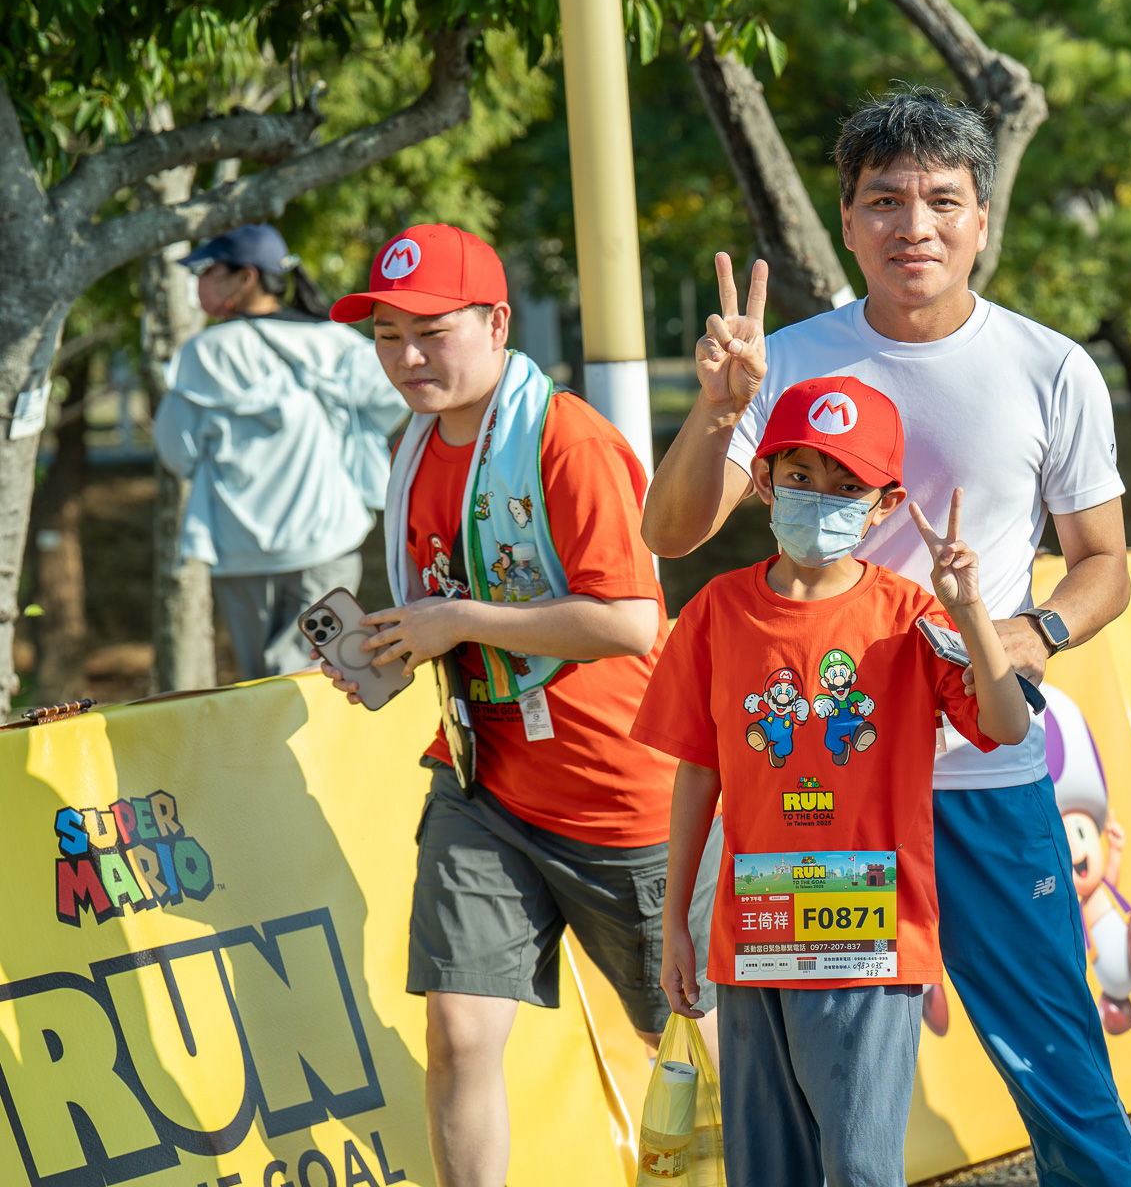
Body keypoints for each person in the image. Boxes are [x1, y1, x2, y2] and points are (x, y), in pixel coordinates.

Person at [642, 87, 1131, 1185]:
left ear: (981, 220)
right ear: (847, 219)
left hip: (977, 770)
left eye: (941, 201)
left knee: (1058, 1066)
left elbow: (1105, 563)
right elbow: (672, 533)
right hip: (815, 797)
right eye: (884, 201)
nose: (913, 225)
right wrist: (721, 407)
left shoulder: (1049, 367)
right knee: (821, 1125)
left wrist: (1033, 632)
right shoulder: (781, 362)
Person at [317, 224, 723, 1187]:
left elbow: (630, 621)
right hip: (482, 782)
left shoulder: (568, 438)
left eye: (431, 332)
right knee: (458, 1031)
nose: (407, 358)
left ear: (498, 323)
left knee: (695, 1043)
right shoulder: (415, 446)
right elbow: (456, 604)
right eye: (386, 337)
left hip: (620, 797)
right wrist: (399, 645)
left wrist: (457, 618)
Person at [636, 375, 1030, 1186]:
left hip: (868, 940)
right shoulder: (714, 611)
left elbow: (1007, 724)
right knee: (766, 1170)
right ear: (763, 480)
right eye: (801, 476)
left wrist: (971, 611)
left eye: (848, 487)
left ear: (885, 506)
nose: (821, 499)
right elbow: (697, 773)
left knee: (857, 1166)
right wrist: (677, 919)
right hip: (754, 932)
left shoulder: (912, 615)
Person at [154, 223, 407, 679]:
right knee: (327, 677)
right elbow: (395, 395)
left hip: (240, 550)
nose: (199, 283)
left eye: (208, 271)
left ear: (245, 277)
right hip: (328, 541)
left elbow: (178, 451)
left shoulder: (202, 354)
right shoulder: (332, 341)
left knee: (262, 685)